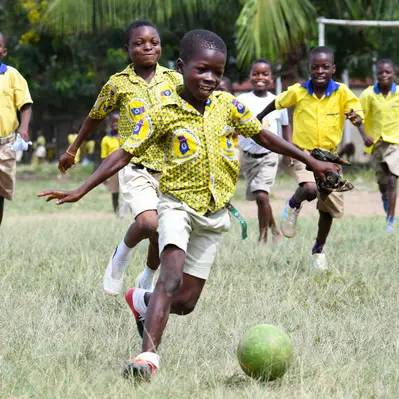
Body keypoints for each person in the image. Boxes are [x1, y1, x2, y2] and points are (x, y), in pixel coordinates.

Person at [39, 30, 338, 380]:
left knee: (185, 302)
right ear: (181, 67)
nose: (210, 78)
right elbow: (124, 152)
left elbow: (262, 134)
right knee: (169, 277)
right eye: (201, 70)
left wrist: (312, 162)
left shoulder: (228, 105)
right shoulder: (165, 112)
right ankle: (147, 357)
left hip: (214, 214)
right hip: (176, 206)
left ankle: (141, 301)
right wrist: (82, 189)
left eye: (217, 71)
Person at [57, 20, 182, 295]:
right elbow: (95, 117)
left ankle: (148, 277)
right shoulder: (118, 84)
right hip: (134, 165)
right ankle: (121, 254)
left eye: (154, 41)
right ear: (127, 49)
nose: (148, 46)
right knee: (149, 222)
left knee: (162, 232)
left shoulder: (175, 80)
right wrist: (73, 149)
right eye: (139, 43)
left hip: (172, 169)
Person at [257, 46, 373, 270]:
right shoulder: (298, 91)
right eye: (315, 67)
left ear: (333, 69)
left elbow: (356, 113)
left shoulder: (342, 92)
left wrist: (359, 124)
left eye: (325, 67)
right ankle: (293, 204)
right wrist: (259, 117)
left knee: (327, 210)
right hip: (303, 153)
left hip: (330, 157)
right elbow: (277, 102)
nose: (320, 71)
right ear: (309, 69)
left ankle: (318, 250)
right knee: (309, 188)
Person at [238, 59, 290, 243]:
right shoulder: (242, 100)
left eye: (265, 74)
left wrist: (288, 151)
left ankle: (263, 237)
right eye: (256, 73)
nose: (260, 77)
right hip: (248, 157)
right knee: (262, 199)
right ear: (250, 76)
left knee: (261, 195)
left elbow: (285, 127)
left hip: (269, 155)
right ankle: (275, 228)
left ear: (271, 78)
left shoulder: (277, 101)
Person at [358, 58, 399, 232]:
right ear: (376, 74)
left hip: (396, 143)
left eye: (387, 72)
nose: (384, 75)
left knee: (392, 179)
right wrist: (364, 136)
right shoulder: (368, 94)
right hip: (376, 144)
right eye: (380, 72)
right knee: (383, 185)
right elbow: (358, 117)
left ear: (394, 74)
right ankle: (385, 201)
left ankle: (390, 220)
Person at [0, 32, 32, 226]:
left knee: (1, 193)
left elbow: (25, 104)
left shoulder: (11, 75)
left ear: (3, 51)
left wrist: (24, 127)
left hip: (5, 144)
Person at [100, 113, 121, 214]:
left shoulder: (127, 137)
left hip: (128, 167)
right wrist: (104, 175)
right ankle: (116, 213)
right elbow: (104, 158)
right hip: (113, 169)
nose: (115, 124)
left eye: (117, 121)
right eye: (113, 122)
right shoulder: (106, 139)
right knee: (115, 191)